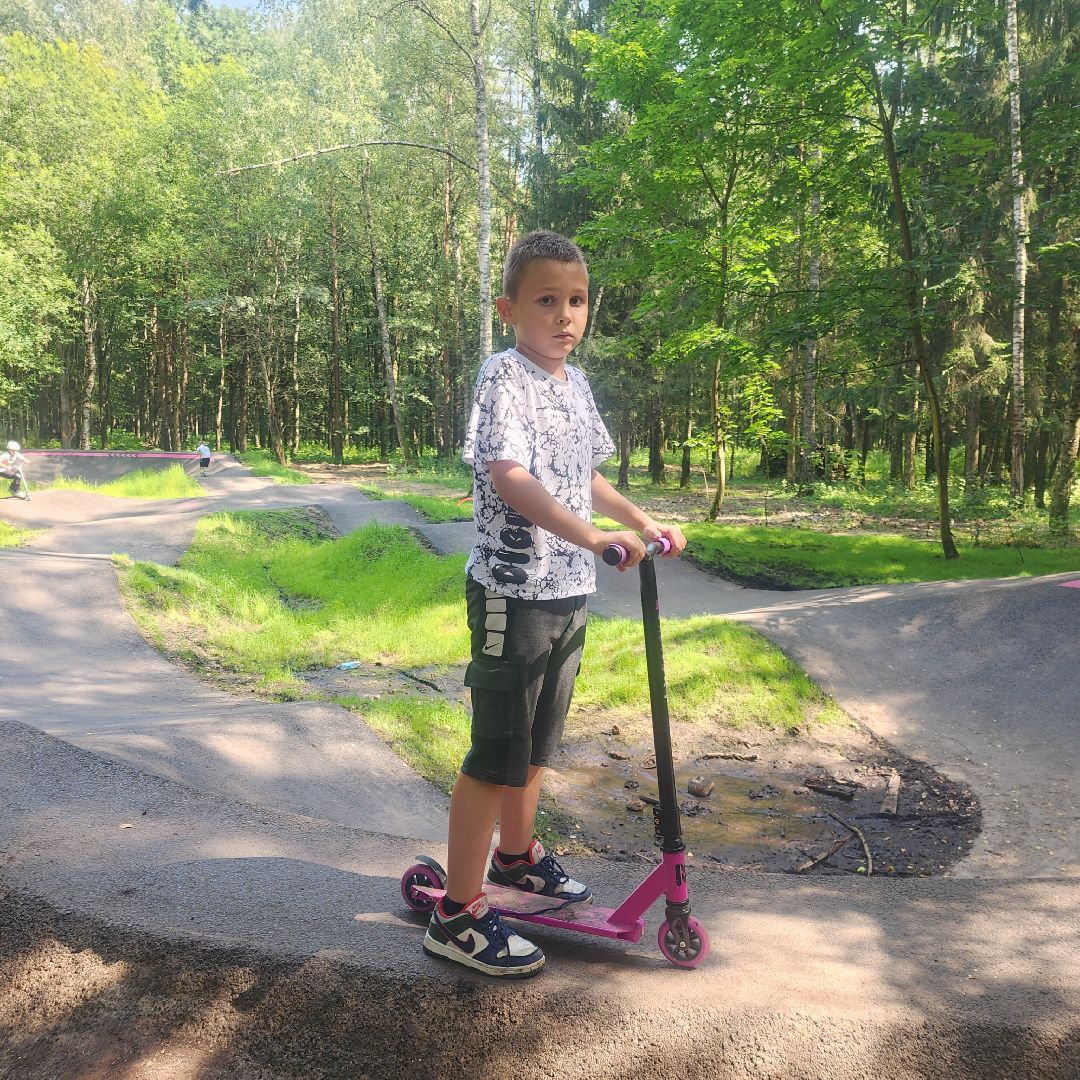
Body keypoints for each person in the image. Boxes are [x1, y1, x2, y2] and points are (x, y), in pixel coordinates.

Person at [423, 231, 686, 978]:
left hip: (569, 590)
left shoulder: (576, 385)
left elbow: (584, 476)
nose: (565, 315)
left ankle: (515, 857)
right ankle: (457, 913)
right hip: (512, 593)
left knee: (537, 741)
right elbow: (510, 475)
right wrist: (593, 536)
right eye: (547, 300)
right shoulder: (503, 377)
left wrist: (640, 523)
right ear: (509, 309)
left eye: (577, 300)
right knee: (495, 750)